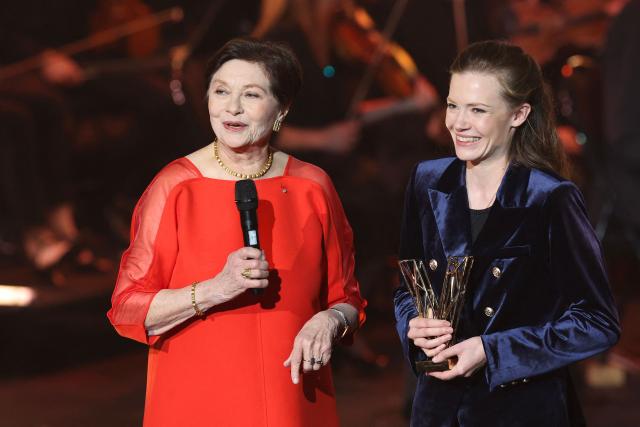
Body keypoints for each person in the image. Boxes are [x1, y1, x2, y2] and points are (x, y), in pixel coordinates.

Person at [107, 38, 365, 426]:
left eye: (251, 94)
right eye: (221, 91)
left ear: (282, 108)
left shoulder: (313, 186)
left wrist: (331, 321)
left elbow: (347, 298)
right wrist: (216, 288)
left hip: (292, 396)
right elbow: (127, 307)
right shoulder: (176, 186)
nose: (232, 107)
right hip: (200, 396)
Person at [394, 40, 620, 426]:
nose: (458, 123)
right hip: (436, 408)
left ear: (518, 114)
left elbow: (597, 322)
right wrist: (412, 324)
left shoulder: (550, 199)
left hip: (522, 411)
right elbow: (406, 289)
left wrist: (492, 351)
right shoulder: (426, 180)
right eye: (453, 105)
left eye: (478, 110)